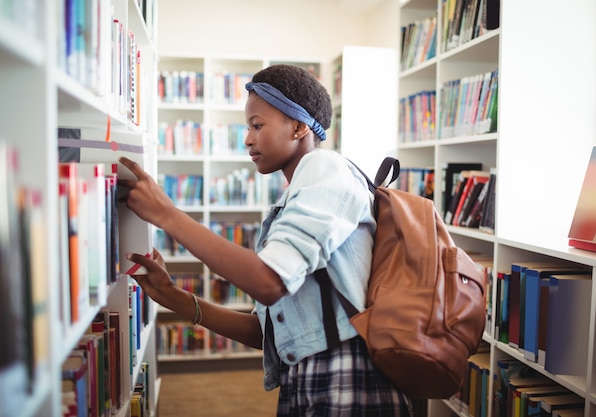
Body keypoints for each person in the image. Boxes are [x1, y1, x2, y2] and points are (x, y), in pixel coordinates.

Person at [118, 64, 412, 416]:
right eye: (247, 127)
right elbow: (266, 333)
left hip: (347, 382)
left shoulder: (325, 169)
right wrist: (173, 297)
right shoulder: (295, 196)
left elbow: (268, 282)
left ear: (299, 126)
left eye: (257, 125)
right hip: (305, 383)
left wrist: (167, 215)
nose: (248, 139)